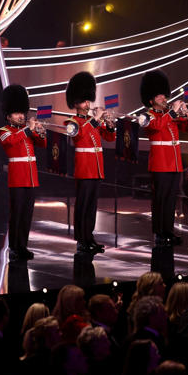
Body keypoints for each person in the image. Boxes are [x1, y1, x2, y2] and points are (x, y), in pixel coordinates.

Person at [140, 70, 188, 247]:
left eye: (164, 95)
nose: (164, 98)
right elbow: (158, 127)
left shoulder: (169, 115)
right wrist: (173, 113)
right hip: (160, 164)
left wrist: (187, 114)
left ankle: (168, 231)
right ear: (151, 100)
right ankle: (159, 233)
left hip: (174, 162)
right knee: (160, 199)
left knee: (171, 199)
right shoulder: (147, 116)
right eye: (159, 96)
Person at [65, 72, 116, 254]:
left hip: (96, 168)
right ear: (75, 103)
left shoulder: (91, 121)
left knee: (92, 206)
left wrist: (109, 123)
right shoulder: (72, 121)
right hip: (84, 168)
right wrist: (96, 120)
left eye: (88, 101)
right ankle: (81, 239)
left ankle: (90, 237)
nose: (88, 104)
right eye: (84, 101)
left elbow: (110, 137)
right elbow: (79, 135)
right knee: (83, 205)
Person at [0, 84, 46, 261]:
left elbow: (42, 144)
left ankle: (23, 246)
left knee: (27, 214)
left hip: (31, 178)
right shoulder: (2, 131)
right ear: (9, 115)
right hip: (17, 178)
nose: (21, 116)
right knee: (16, 214)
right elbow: (12, 142)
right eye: (17, 113)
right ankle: (14, 247)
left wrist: (40, 132)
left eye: (22, 113)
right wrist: (28, 130)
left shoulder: (27, 131)